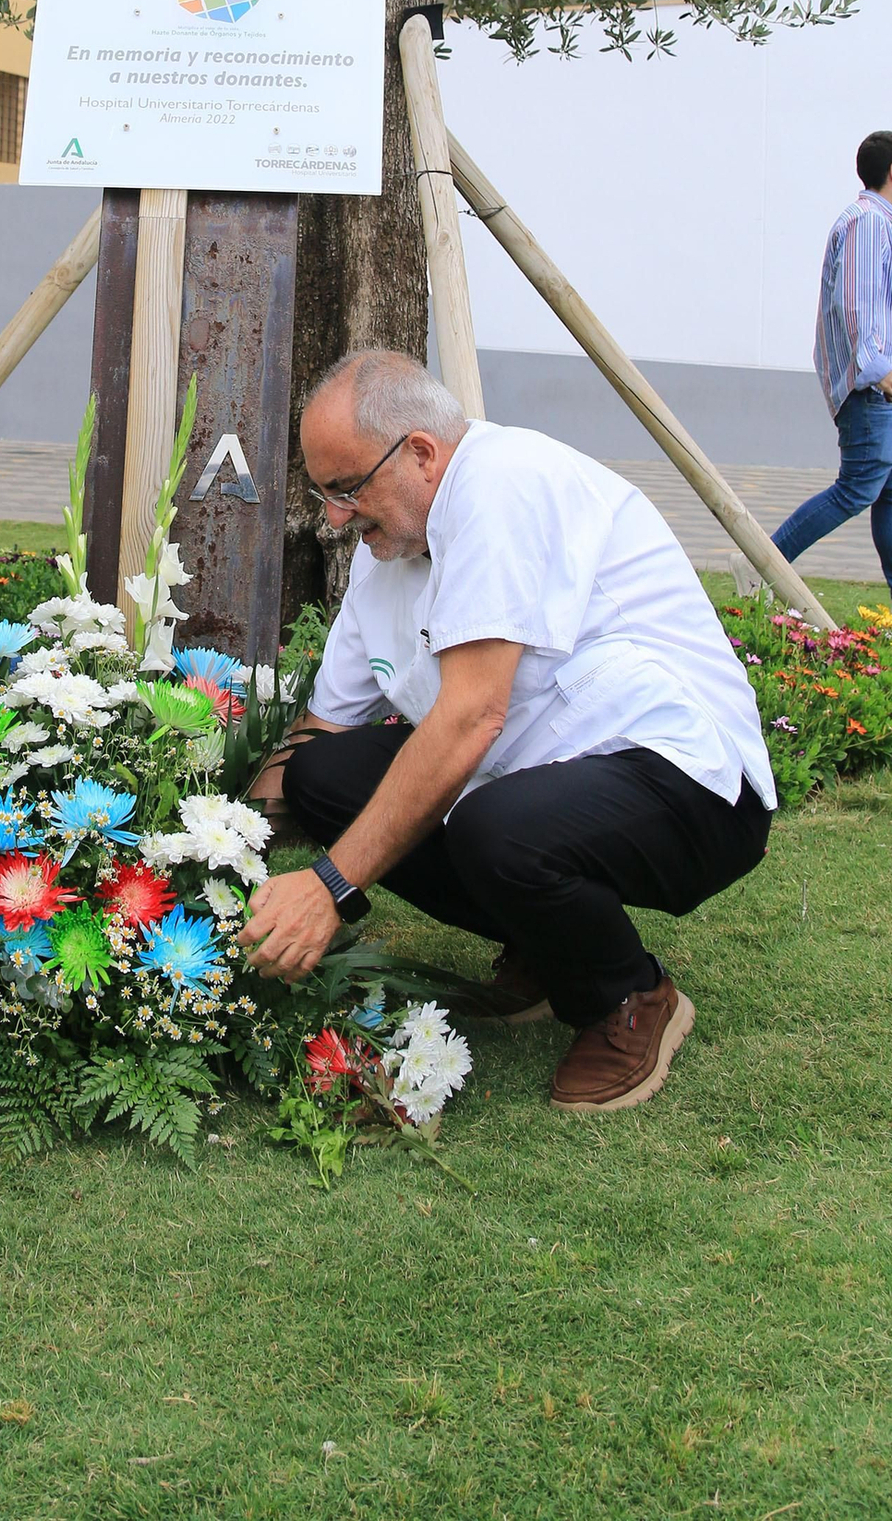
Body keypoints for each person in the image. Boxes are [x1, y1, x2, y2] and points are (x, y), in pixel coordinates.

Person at [241, 350, 776, 1114]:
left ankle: (628, 996)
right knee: (324, 776)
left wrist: (328, 889)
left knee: (500, 829)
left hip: (689, 783)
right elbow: (324, 726)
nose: (332, 518)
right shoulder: (387, 549)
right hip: (543, 783)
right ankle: (545, 951)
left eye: (347, 488)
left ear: (422, 452)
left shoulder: (499, 484)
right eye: (324, 492)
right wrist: (202, 849)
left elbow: (471, 717)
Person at [759, 131, 892, 629]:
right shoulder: (867, 224)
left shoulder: (886, 227)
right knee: (856, 488)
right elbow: (854, 306)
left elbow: (887, 308)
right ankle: (760, 563)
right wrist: (878, 370)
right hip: (876, 387)